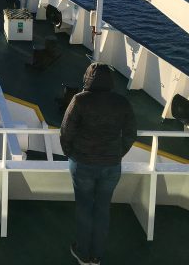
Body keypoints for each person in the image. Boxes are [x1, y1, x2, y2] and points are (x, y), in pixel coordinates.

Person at [60, 62, 137, 265]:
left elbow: (66, 132)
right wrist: (118, 153)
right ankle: (96, 256)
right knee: (103, 209)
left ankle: (83, 254)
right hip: (111, 165)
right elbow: (130, 134)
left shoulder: (79, 100)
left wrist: (70, 153)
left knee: (84, 208)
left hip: (82, 163)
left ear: (87, 78)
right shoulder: (122, 102)